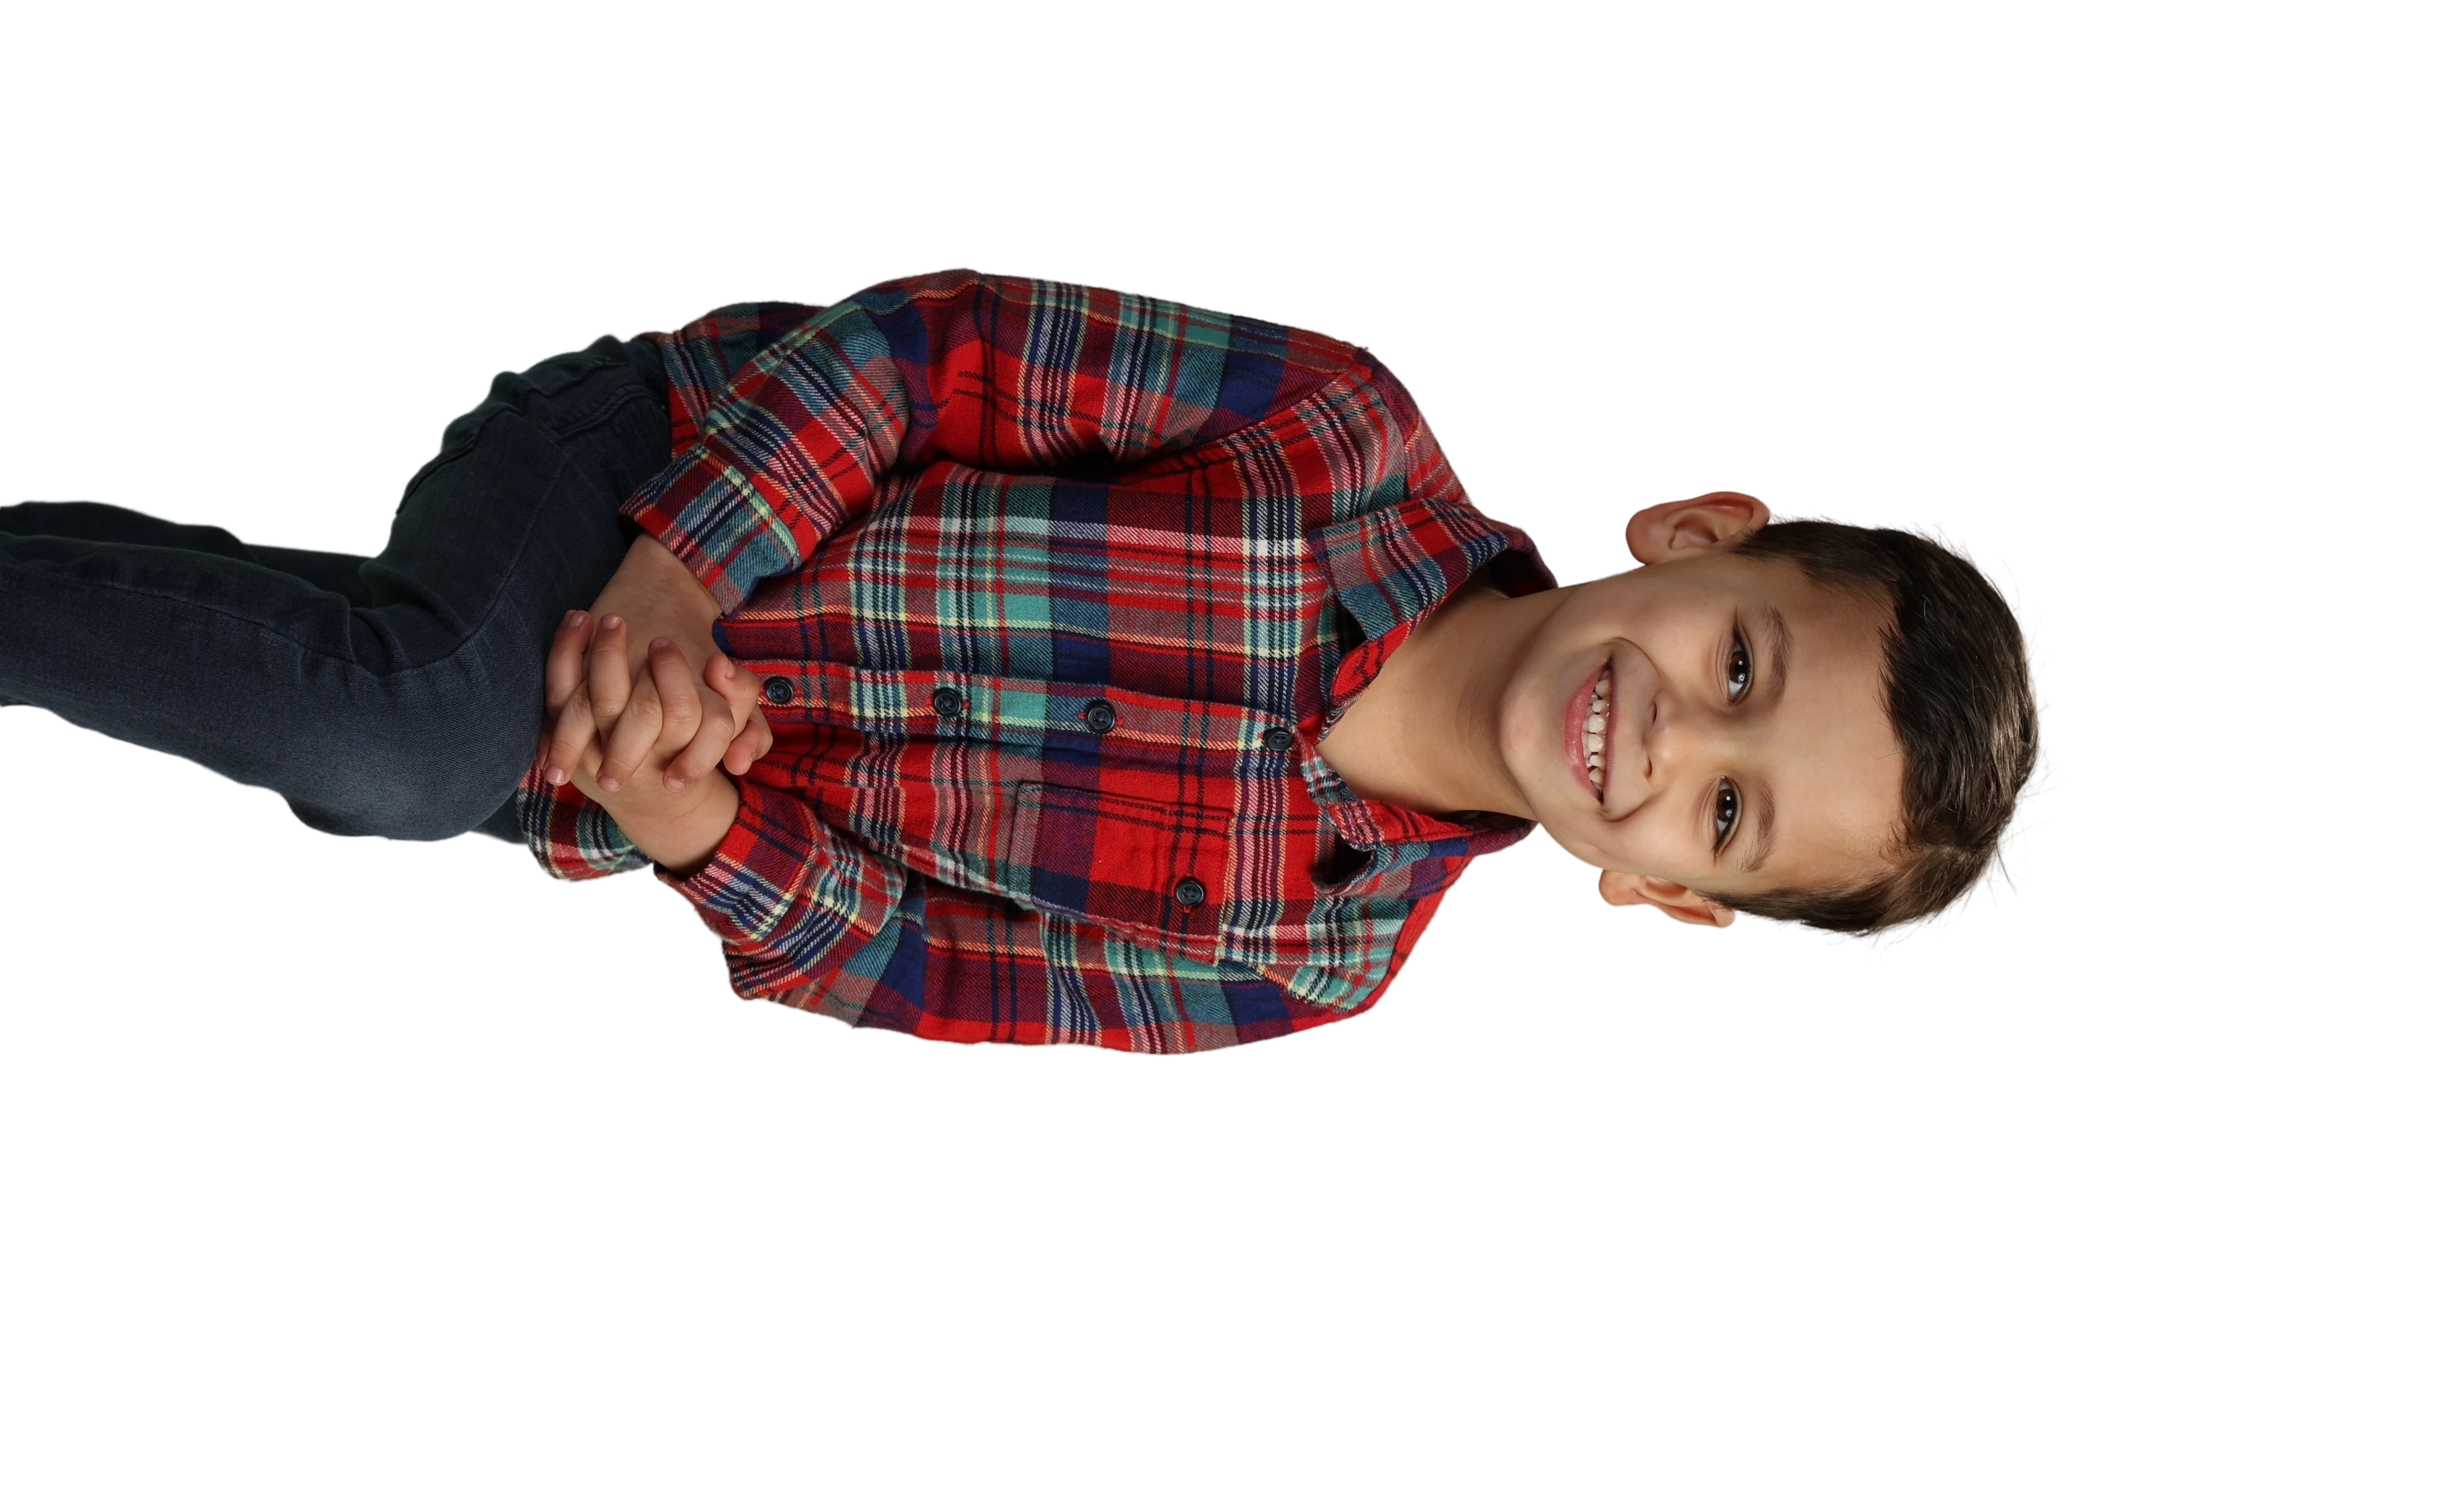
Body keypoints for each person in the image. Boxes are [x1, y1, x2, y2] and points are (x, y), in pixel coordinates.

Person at [0, 266, 2057, 1057]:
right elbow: (927, 352)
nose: (1671, 738)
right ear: (1695, 533)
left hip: (597, 752)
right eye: (1740, 662)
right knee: (398, 741)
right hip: (658, 455)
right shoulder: (1339, 438)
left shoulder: (1309, 960)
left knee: (397, 703)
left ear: (1667, 895)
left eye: (1728, 811)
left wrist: (695, 823)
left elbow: (928, 972)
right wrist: (681, 574)